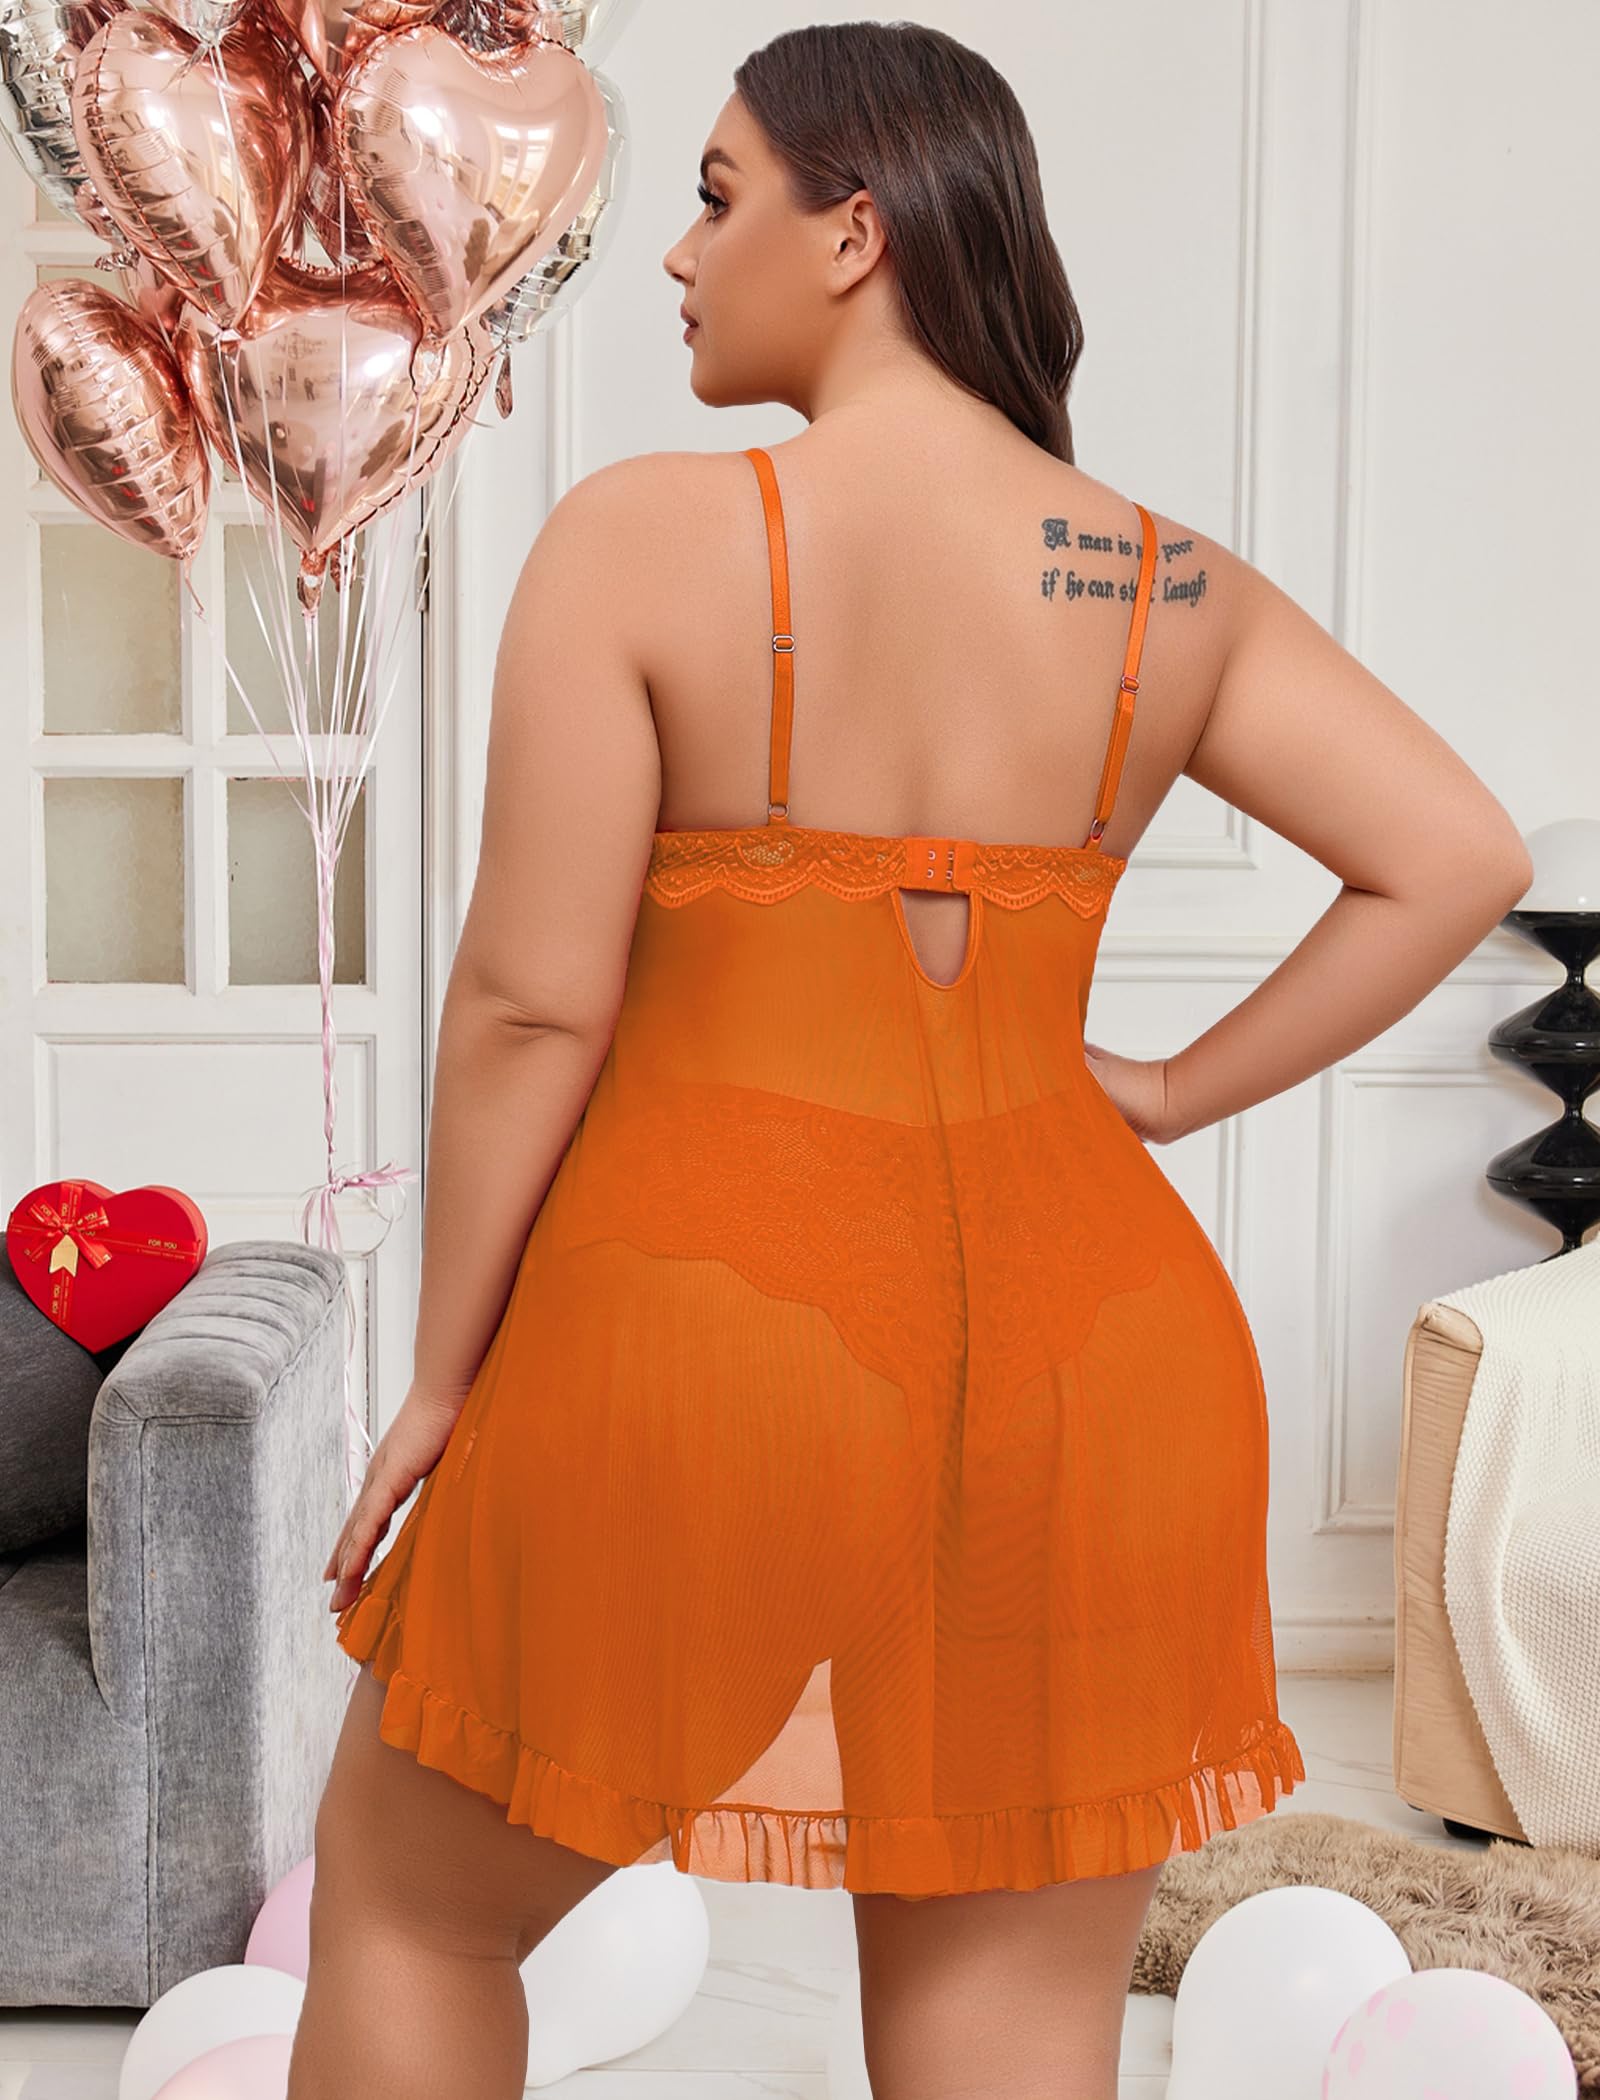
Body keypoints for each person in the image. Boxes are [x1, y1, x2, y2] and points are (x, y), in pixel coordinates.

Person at [287, 22, 1532, 2100]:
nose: (677, 254)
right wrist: (1155, 1095)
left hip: (702, 1335)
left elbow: (528, 1006)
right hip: (1091, 1370)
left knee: (417, 1907)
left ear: (851, 232)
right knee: (1001, 2037)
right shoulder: (1154, 579)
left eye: (715, 196)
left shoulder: (641, 538)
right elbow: (1457, 855)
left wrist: (439, 1378)